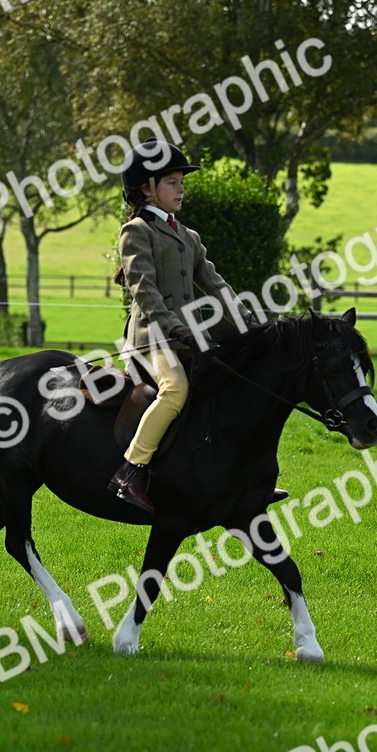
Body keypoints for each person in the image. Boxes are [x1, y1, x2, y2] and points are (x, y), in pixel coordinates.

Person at [108, 138, 262, 513]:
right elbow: (144, 289)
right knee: (175, 389)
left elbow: (215, 283)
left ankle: (231, 480)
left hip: (189, 336)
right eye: (172, 182)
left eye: (181, 182)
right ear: (147, 189)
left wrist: (249, 322)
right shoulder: (136, 231)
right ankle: (131, 471)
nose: (181, 189)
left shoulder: (188, 236)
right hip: (152, 338)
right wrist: (174, 327)